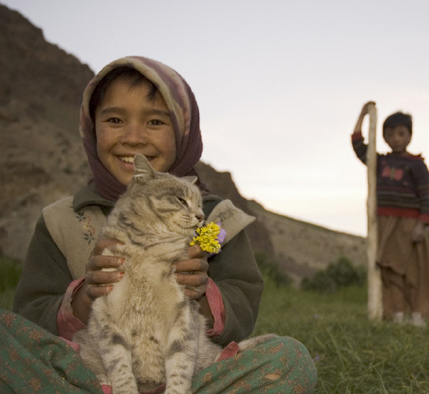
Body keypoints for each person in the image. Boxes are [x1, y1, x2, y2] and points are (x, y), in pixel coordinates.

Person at [5, 56, 316, 393]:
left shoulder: (215, 220)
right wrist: (83, 296)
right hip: (93, 378)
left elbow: (242, 309)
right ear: (92, 128)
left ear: (184, 131)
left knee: (289, 359)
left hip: (192, 379)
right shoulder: (61, 220)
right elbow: (31, 318)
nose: (134, 137)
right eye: (114, 119)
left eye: (155, 122)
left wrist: (199, 293)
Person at [351, 101, 429, 326]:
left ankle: (418, 317)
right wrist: (362, 115)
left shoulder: (417, 164)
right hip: (385, 223)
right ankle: (396, 316)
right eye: (390, 134)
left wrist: (422, 224)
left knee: (415, 272)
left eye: (401, 133)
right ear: (385, 137)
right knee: (390, 271)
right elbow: (359, 145)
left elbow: (426, 195)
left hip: (410, 224)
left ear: (409, 136)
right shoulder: (380, 162)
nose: (396, 138)